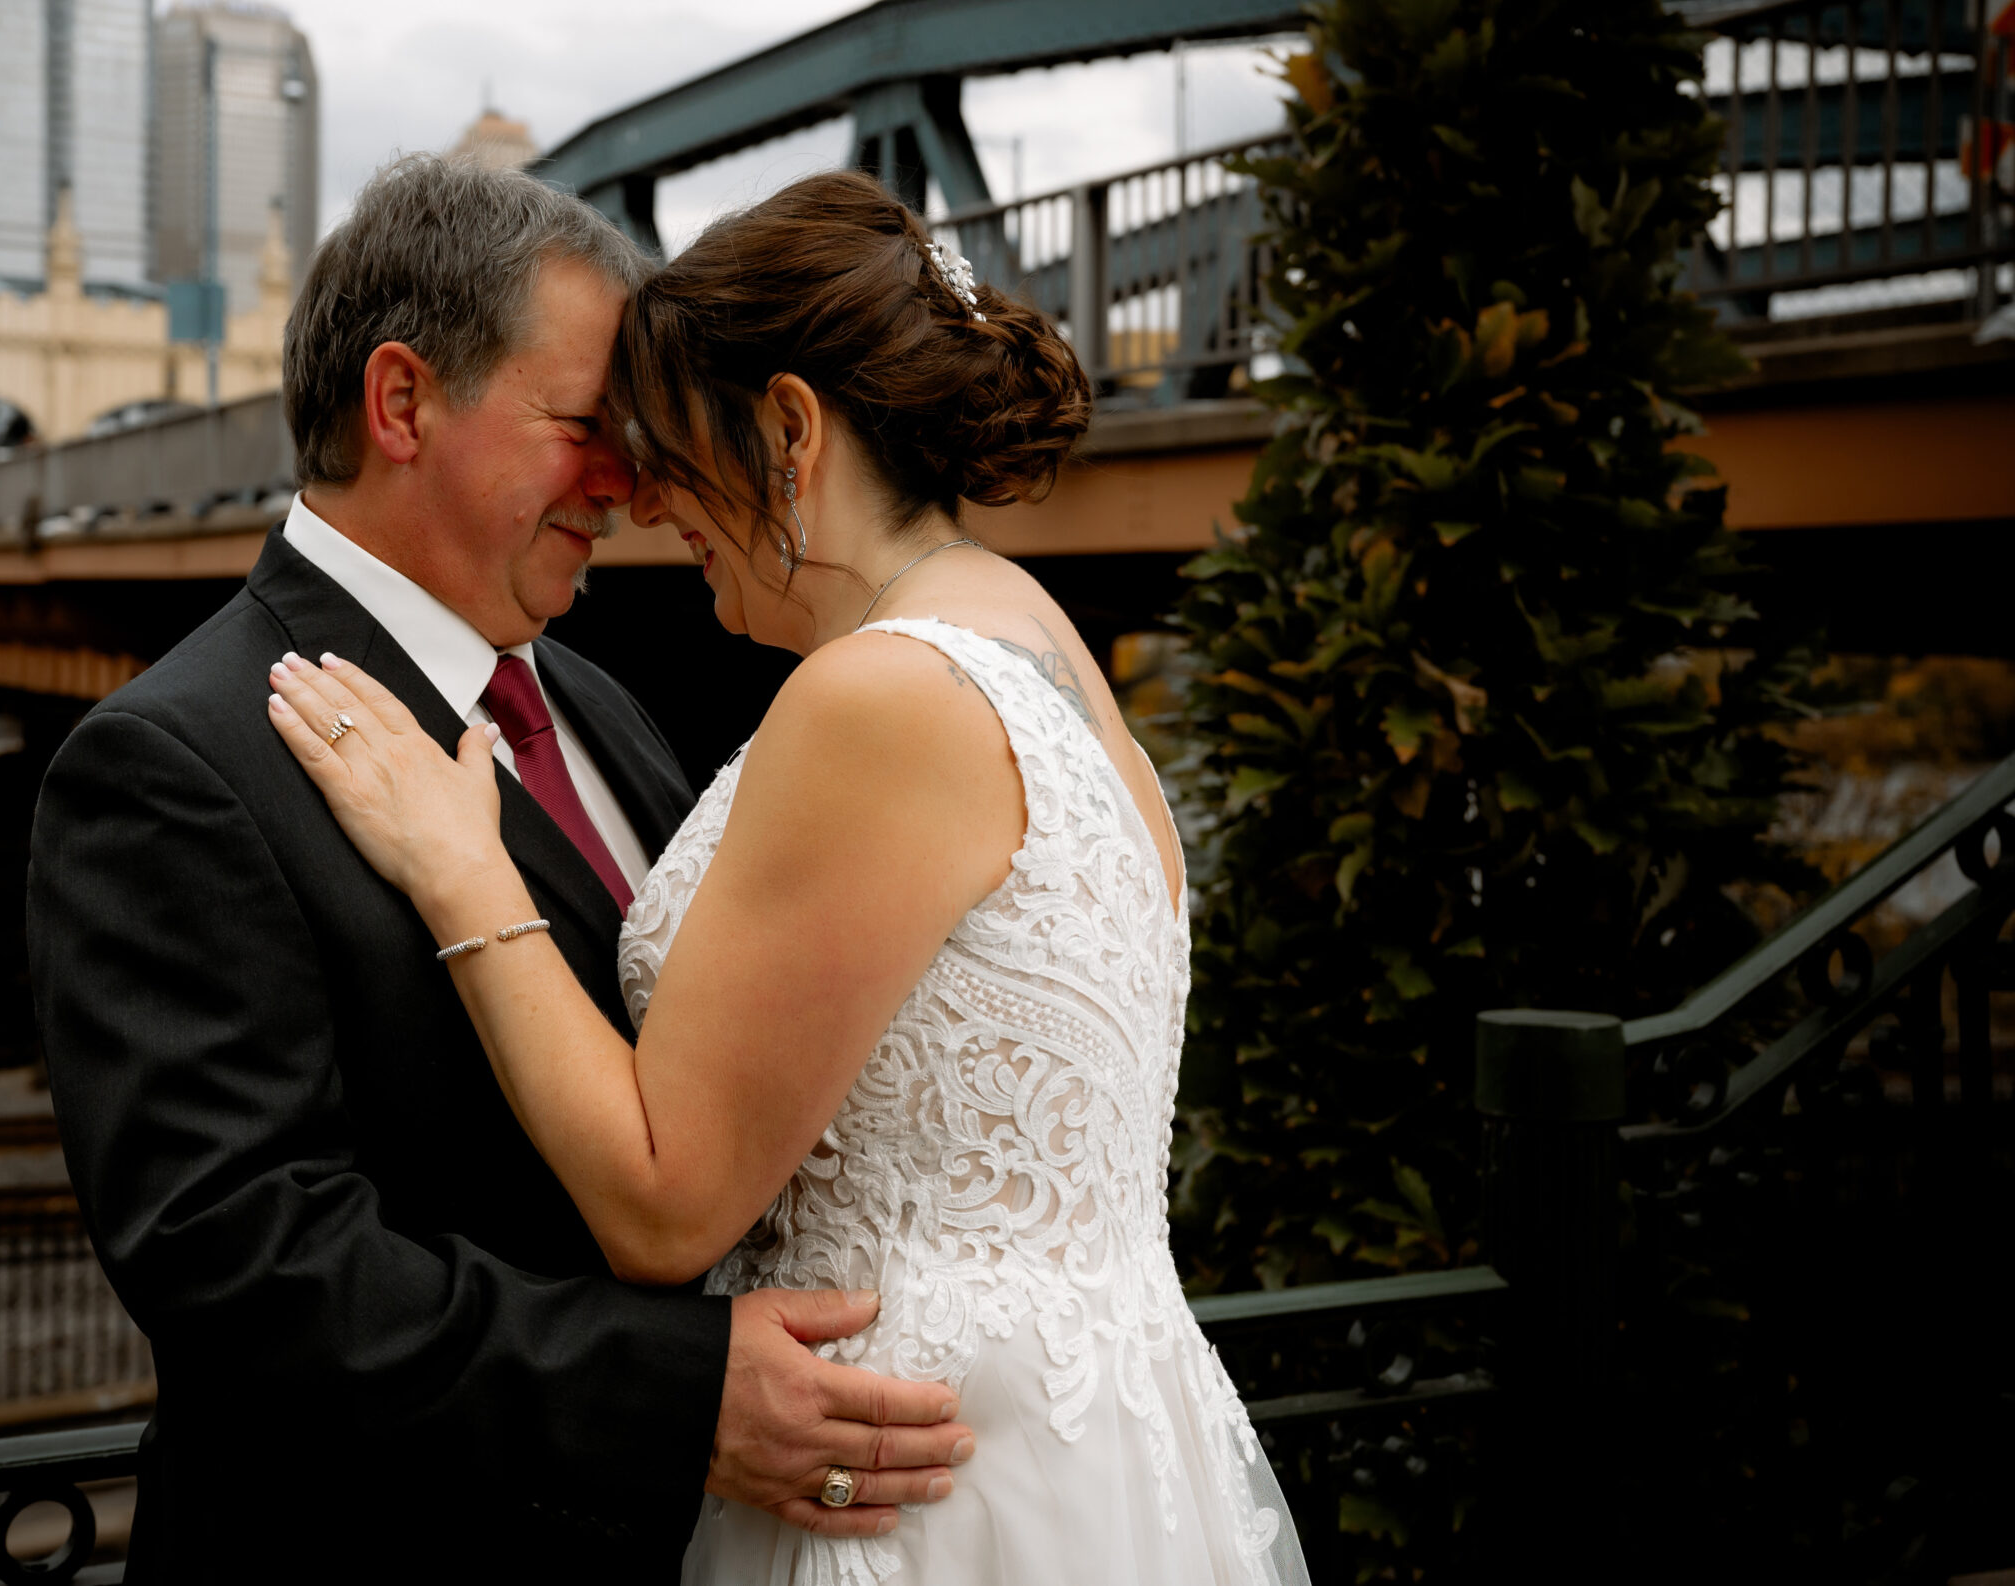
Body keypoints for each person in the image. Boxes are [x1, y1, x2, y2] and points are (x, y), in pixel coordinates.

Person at [263, 169, 1312, 1584]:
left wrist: (465, 875)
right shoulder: (1058, 672)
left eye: (666, 448)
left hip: (907, 1485)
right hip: (1081, 1449)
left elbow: (663, 1202)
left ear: (792, 430)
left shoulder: (876, 696)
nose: (640, 497)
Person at [27, 157, 976, 1582]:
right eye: (589, 426)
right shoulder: (174, 760)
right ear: (402, 404)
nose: (632, 481)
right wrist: (676, 1395)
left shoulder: (599, 702)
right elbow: (242, 1259)